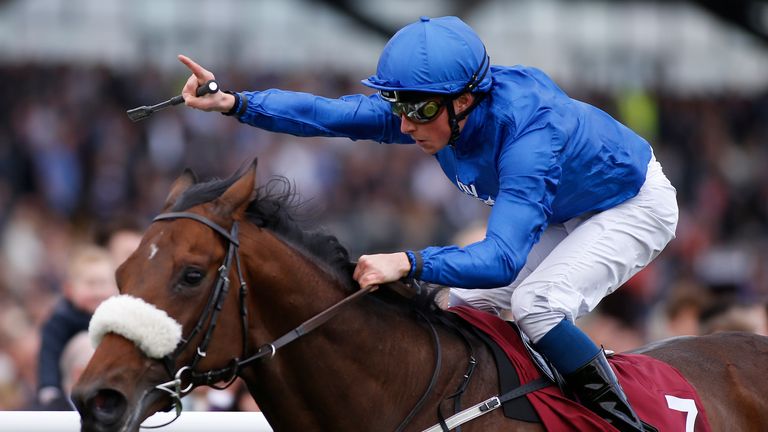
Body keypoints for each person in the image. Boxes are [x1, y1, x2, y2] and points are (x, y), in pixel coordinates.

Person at [178, 16, 678, 431]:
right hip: (565, 208)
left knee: (538, 305)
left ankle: (626, 424)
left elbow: (502, 260)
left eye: (416, 109)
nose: (404, 124)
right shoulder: (437, 107)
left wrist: (409, 261)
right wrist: (235, 103)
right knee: (458, 304)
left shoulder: (530, 137)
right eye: (396, 103)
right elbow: (329, 114)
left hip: (630, 205)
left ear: (464, 101)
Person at [36, 245, 118, 409]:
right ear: (69, 290)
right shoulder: (60, 320)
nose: (97, 291)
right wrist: (50, 390)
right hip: (69, 395)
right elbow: (49, 356)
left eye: (103, 283)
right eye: (90, 284)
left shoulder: (120, 319)